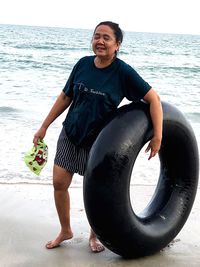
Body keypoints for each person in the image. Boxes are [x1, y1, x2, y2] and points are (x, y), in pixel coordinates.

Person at [33, 21, 163, 253]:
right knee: (59, 183)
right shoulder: (82, 64)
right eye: (96, 36)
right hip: (70, 133)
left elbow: (153, 99)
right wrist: (44, 126)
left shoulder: (123, 72)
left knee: (94, 191)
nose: (100, 41)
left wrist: (158, 136)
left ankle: (95, 236)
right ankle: (65, 230)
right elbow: (65, 97)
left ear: (117, 45)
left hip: (99, 141)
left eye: (106, 38)